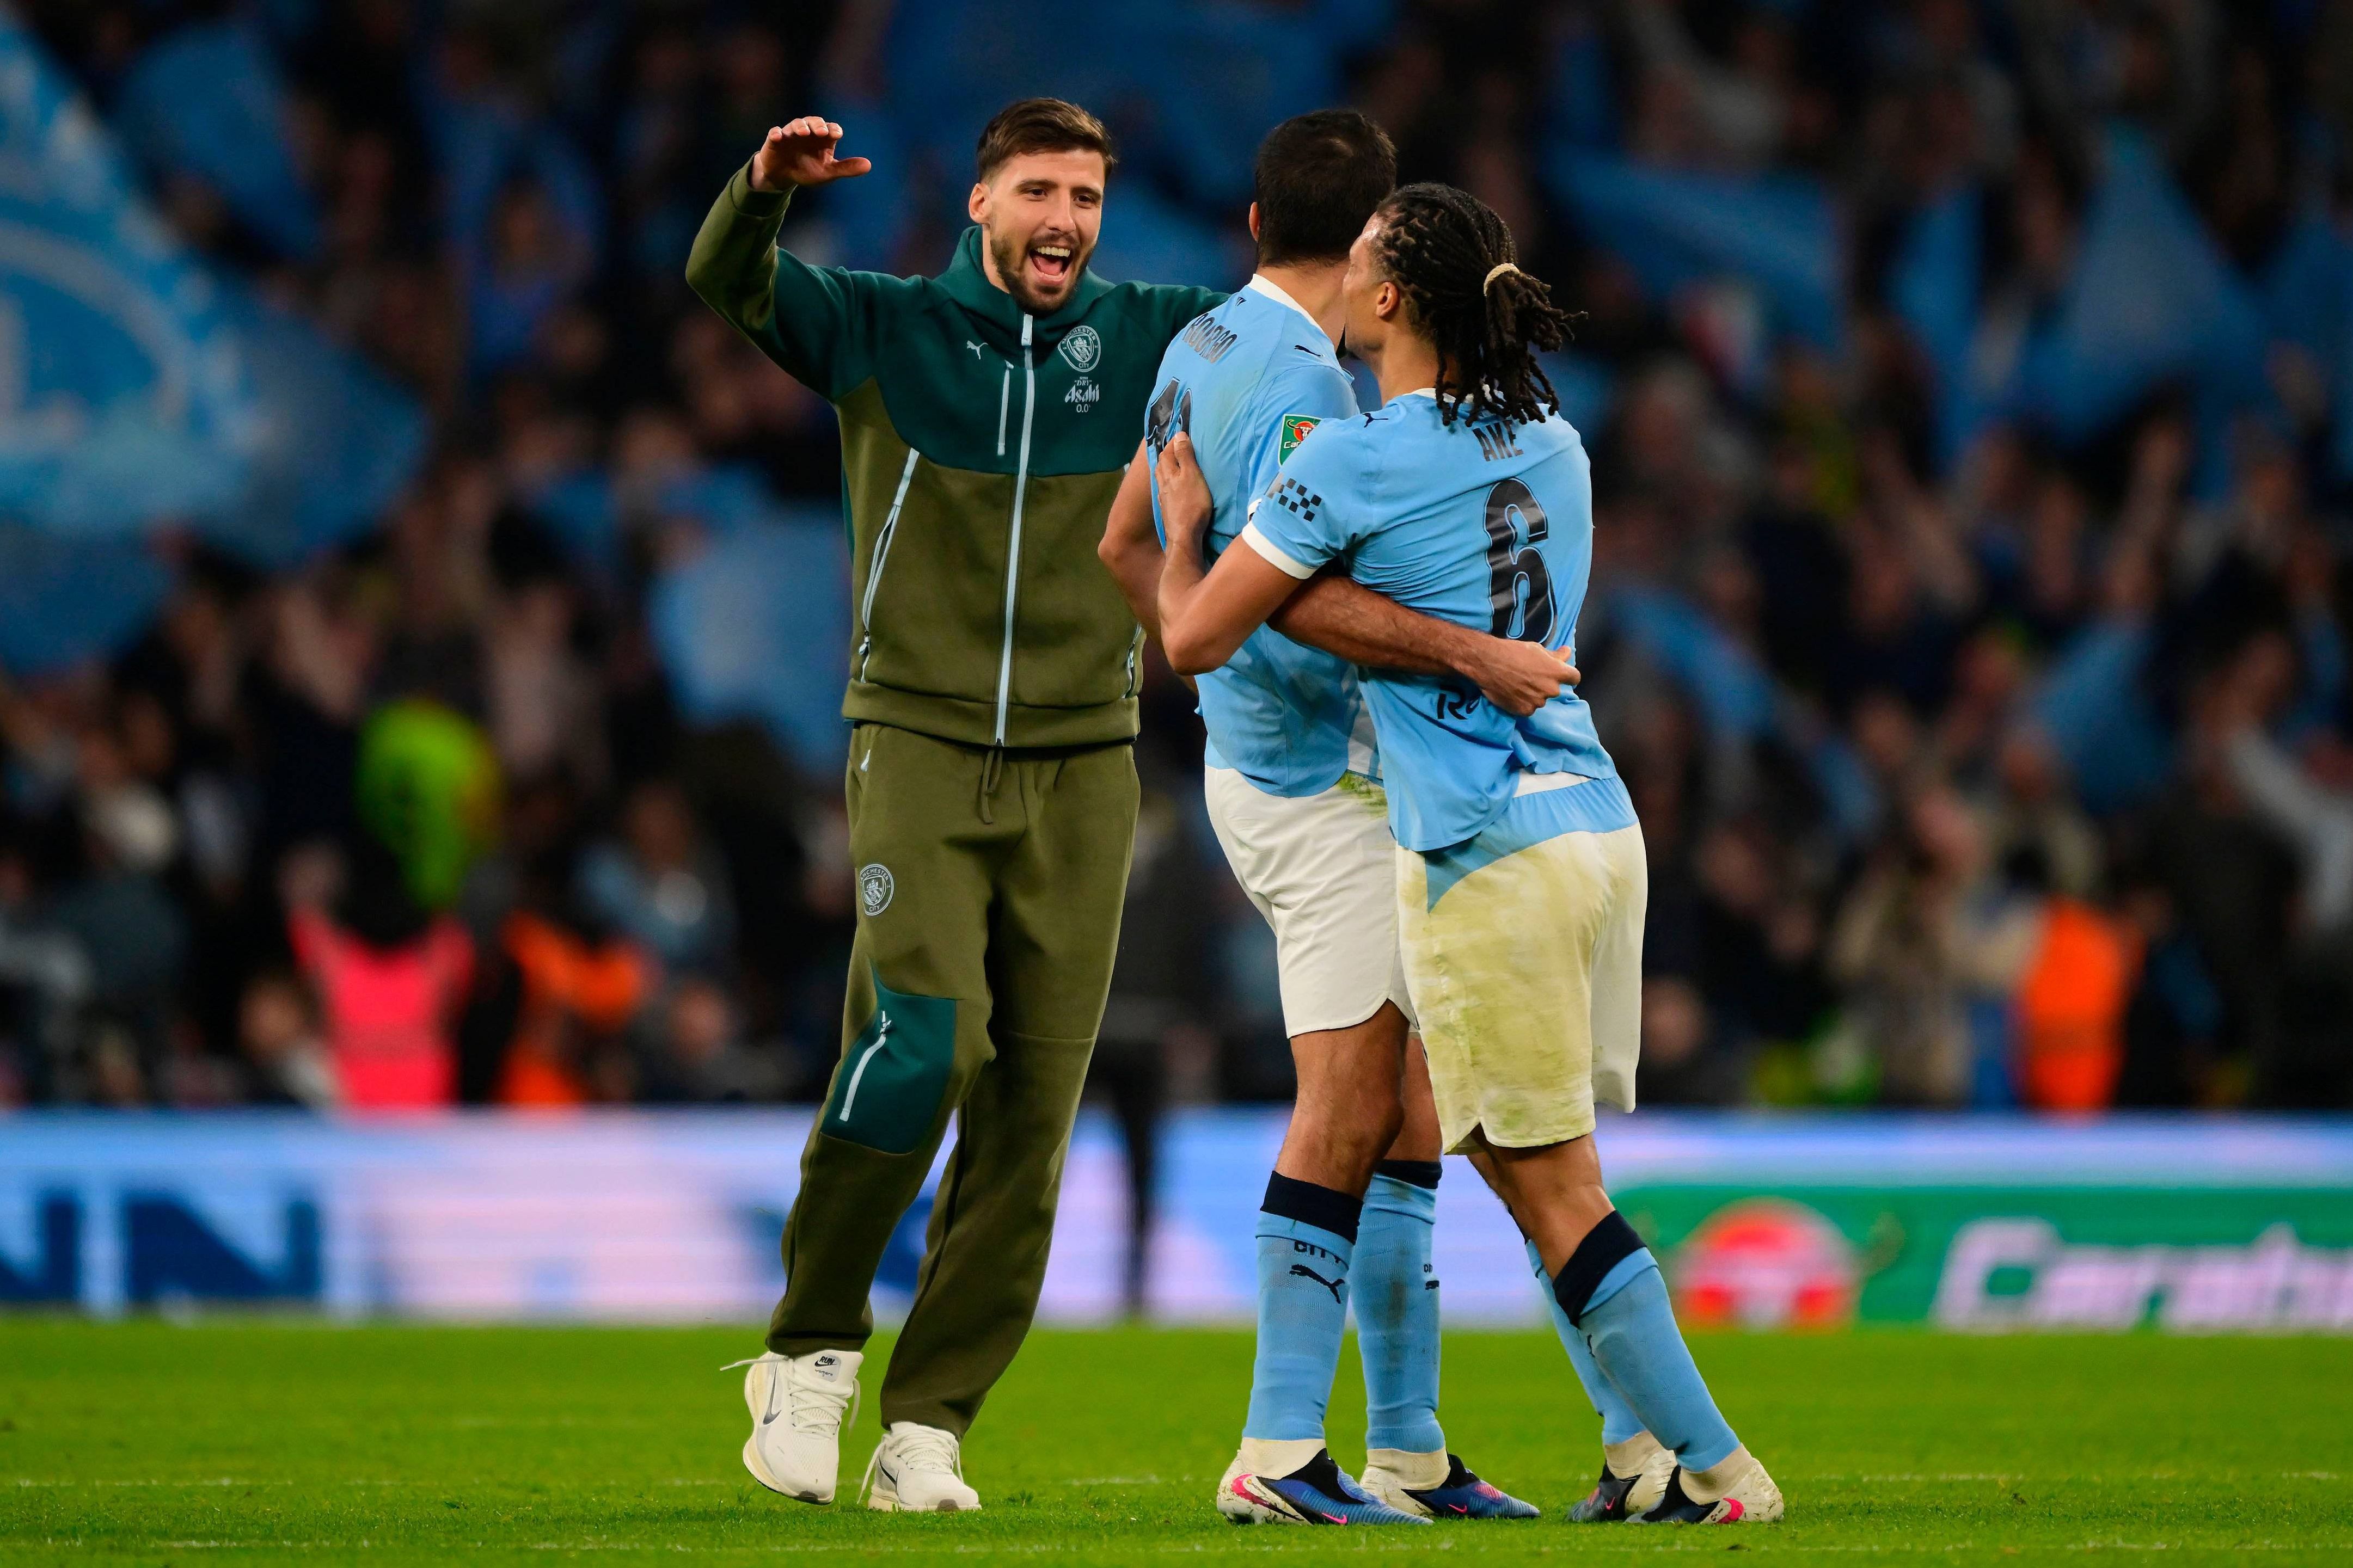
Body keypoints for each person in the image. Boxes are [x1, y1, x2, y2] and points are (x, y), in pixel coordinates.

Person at [1153, 183, 1785, 1526]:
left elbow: (1201, 634)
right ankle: (1617, 1458)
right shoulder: (1558, 442)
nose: (1342, 277)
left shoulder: (1358, 460)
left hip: (1483, 847)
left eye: (1360, 260)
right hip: (1596, 824)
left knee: (1543, 1182)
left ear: (1386, 299)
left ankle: (1715, 1471)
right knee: (1510, 1153)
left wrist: (1183, 542)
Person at [685, 99, 1227, 1513]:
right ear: (980, 204)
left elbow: (1299, 324)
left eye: (1087, 197)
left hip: (1086, 764)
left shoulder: (1158, 335)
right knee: (921, 1041)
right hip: (917, 743)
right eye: (1040, 190)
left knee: (1033, 1112)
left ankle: (926, 1424)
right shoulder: (883, 327)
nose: (1066, 220)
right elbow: (724, 280)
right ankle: (806, 1350)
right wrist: (763, 189)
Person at [1098, 111, 1571, 1527]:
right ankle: (1277, 1448)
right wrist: (1473, 654)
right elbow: (1294, 593)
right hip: (1322, 788)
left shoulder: (1195, 346)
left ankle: (1409, 1449)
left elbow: (1125, 542)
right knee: (1349, 1103)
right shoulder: (1313, 387)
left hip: (1262, 769)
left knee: (1407, 1099)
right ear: (1374, 246)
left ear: (1254, 223)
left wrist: (1203, 654)